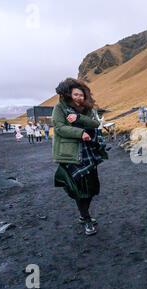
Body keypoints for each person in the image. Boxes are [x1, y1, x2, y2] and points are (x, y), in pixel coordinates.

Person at [52, 78, 108, 236]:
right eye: (75, 94)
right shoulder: (59, 108)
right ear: (69, 94)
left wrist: (78, 119)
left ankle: (85, 214)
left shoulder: (87, 108)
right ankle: (85, 217)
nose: (78, 97)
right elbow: (59, 127)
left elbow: (95, 124)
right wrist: (80, 132)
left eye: (81, 95)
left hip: (89, 153)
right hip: (71, 154)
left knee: (91, 188)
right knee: (79, 190)